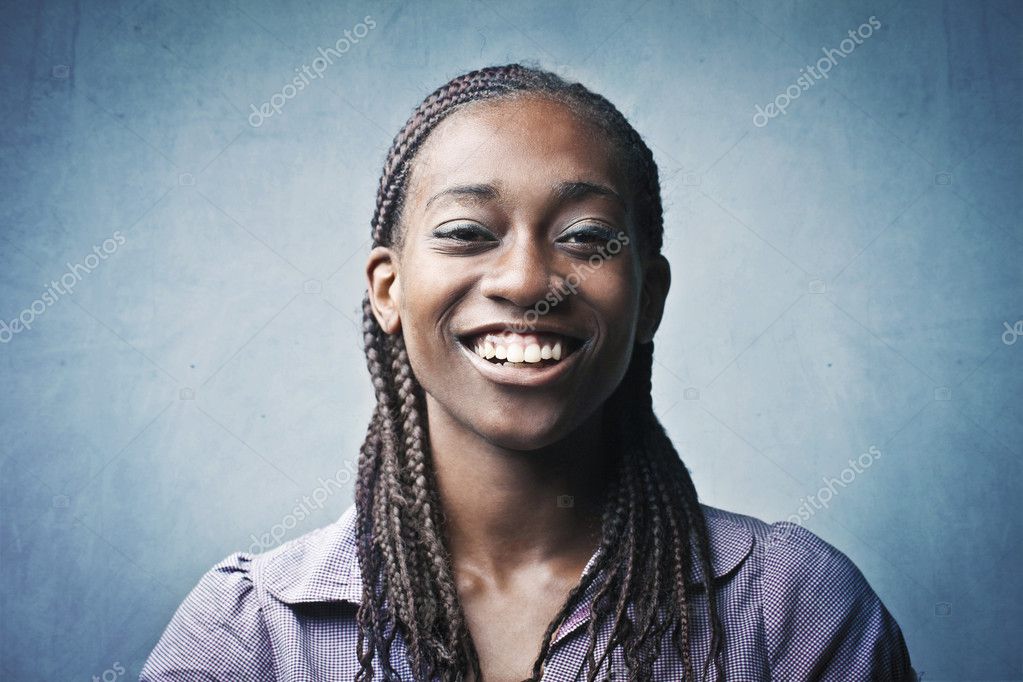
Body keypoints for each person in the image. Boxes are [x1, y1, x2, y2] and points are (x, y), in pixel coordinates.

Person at [141, 63, 917, 681]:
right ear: (388, 290)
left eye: (585, 237)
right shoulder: (253, 633)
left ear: (648, 298)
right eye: (467, 232)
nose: (524, 280)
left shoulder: (790, 611)